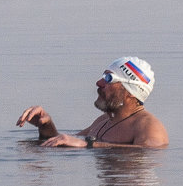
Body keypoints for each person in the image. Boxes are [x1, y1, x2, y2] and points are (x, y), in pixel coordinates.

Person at [17, 56, 168, 148]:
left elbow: (149, 151)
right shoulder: (104, 120)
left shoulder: (149, 127)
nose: (98, 83)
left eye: (108, 79)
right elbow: (66, 142)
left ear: (130, 91)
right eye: (103, 76)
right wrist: (46, 125)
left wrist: (89, 145)